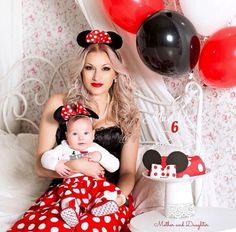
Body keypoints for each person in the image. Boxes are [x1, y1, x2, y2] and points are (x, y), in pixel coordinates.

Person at [9, 29, 140, 232]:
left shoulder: (128, 113)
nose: (97, 76)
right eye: (89, 68)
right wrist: (74, 166)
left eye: (105, 68)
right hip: (66, 192)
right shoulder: (59, 104)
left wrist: (119, 198)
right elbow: (40, 166)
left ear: (116, 73)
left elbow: (128, 172)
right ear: (81, 71)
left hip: (107, 196)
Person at [41, 104, 122, 227]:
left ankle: (102, 204)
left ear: (93, 134)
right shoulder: (64, 147)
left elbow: (115, 165)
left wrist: (101, 157)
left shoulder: (95, 148)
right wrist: (56, 164)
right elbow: (45, 158)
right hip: (73, 184)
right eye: (74, 134)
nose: (81, 138)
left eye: (85, 133)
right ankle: (71, 210)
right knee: (68, 195)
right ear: (67, 135)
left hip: (96, 184)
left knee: (107, 190)